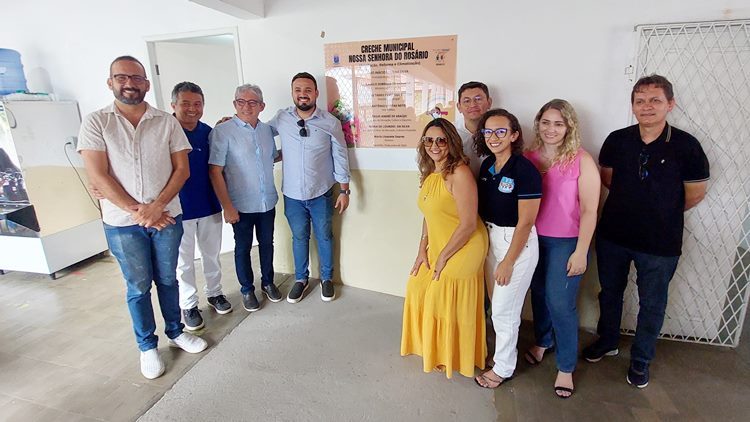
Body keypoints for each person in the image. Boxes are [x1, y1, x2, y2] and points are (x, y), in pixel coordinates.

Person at [78, 55, 207, 380]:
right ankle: (147, 347)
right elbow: (98, 175)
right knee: (137, 286)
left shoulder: (166, 121)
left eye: (136, 78)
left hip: (166, 217)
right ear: (111, 83)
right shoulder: (96, 122)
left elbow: (182, 170)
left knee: (167, 279)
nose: (130, 83)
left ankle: (176, 332)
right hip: (123, 224)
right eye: (122, 77)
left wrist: (157, 206)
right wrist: (140, 211)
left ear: (147, 84)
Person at [583, 74, 709, 388]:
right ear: (633, 106)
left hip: (660, 244)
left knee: (652, 303)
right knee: (610, 293)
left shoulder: (687, 146)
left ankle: (640, 360)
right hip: (614, 236)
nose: (647, 107)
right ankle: (607, 341)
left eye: (655, 100)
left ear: (670, 104)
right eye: (640, 101)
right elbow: (608, 179)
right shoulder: (617, 140)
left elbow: (694, 193)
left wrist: (659, 212)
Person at [523, 99, 601, 398]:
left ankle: (566, 366)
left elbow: (590, 211)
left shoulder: (581, 160)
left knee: (560, 302)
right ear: (538, 124)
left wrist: (581, 251)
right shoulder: (528, 158)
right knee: (539, 295)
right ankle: (544, 341)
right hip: (532, 240)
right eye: (546, 122)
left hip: (566, 243)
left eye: (558, 123)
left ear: (569, 126)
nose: (551, 129)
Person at [400, 118, 488, 379]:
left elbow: (469, 224)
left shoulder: (459, 173)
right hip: (439, 243)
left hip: (466, 244)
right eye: (429, 140)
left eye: (441, 139)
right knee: (416, 285)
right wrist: (422, 250)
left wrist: (443, 257)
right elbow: (429, 215)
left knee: (441, 291)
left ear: (451, 142)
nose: (434, 145)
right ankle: (433, 349)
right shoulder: (430, 173)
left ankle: (454, 356)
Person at [473, 109, 542, 389]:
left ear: (514, 135)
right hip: (491, 239)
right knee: (499, 308)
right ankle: (502, 357)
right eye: (488, 132)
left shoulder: (524, 170)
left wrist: (508, 261)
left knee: (504, 310)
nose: (494, 137)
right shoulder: (488, 165)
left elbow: (526, 221)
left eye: (501, 131)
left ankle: (503, 368)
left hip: (517, 244)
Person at [268, 72, 350, 303]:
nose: (302, 94)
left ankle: (326, 279)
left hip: (321, 192)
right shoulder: (281, 118)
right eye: (298, 90)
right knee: (299, 237)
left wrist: (344, 190)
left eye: (307, 90)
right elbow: (260, 133)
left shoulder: (330, 122)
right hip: (292, 194)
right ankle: (300, 280)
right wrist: (235, 123)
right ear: (292, 93)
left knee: (324, 236)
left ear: (316, 93)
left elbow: (341, 156)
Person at [209, 84, 282, 312]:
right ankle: (247, 289)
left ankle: (268, 282)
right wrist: (227, 207)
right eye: (241, 101)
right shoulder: (223, 132)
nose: (246, 106)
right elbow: (215, 171)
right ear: (234, 104)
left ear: (262, 106)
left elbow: (271, 158)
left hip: (266, 201)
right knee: (242, 248)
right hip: (239, 205)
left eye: (252, 102)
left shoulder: (267, 131)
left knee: (267, 244)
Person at [170, 81, 231, 331]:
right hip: (177, 210)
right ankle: (189, 304)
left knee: (211, 255)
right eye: (186, 104)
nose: (192, 109)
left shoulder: (208, 133)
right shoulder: (165, 131)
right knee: (183, 262)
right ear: (173, 105)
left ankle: (215, 293)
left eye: (197, 104)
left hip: (209, 205)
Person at [455, 81, 493, 176]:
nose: (473, 105)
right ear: (458, 107)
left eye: (478, 99)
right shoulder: (450, 132)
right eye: (467, 101)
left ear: (489, 103)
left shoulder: (500, 131)